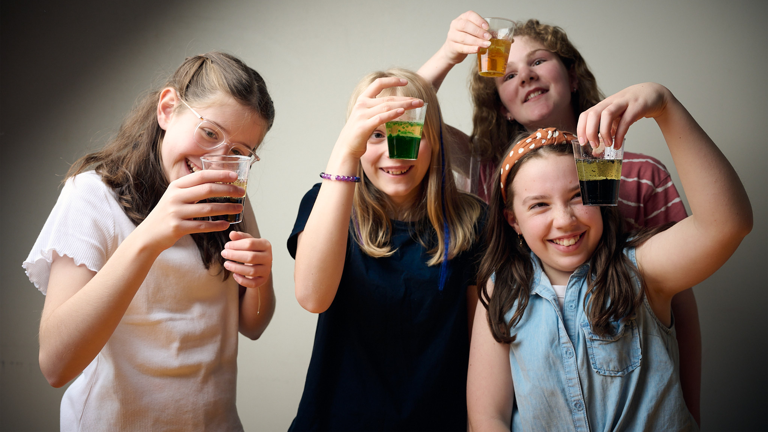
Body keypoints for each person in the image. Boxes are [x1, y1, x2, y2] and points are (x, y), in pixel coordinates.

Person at [418, 13, 701, 421]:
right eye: (509, 75)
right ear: (501, 108)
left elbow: (679, 301)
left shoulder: (641, 174)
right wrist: (448, 55)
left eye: (537, 62)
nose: (526, 77)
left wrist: (690, 405)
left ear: (571, 75)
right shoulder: (487, 167)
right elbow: (407, 118)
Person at [467, 81, 752, 429]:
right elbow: (487, 417)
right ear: (513, 221)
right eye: (539, 205)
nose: (564, 220)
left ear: (599, 195)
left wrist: (665, 107)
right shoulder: (501, 290)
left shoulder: (643, 268)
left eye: (577, 196)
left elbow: (728, 224)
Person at [22, 52, 277, 431]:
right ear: (168, 109)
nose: (217, 160)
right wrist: (150, 236)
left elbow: (252, 326)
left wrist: (259, 281)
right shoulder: (92, 197)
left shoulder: (231, 200)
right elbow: (56, 365)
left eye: (239, 153)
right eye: (209, 133)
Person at [287, 68, 485, 431]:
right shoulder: (326, 203)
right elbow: (313, 296)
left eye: (410, 132)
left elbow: (481, 351)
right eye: (375, 134)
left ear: (435, 140)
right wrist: (346, 151)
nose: (396, 150)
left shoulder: (474, 221)